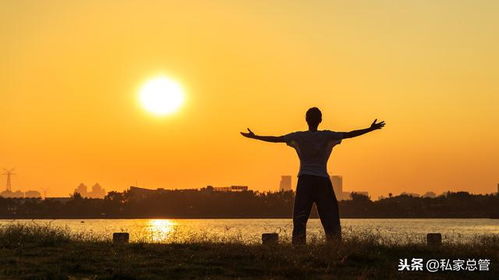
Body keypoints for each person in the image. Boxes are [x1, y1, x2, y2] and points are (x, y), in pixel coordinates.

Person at [240, 107, 385, 245]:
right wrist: (370, 129)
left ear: (306, 119)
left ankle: (298, 246)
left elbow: (276, 139)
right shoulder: (327, 135)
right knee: (330, 217)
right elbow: (349, 134)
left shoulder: (299, 137)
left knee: (300, 218)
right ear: (320, 120)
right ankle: (334, 245)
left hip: (305, 180)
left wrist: (255, 137)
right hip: (322, 181)